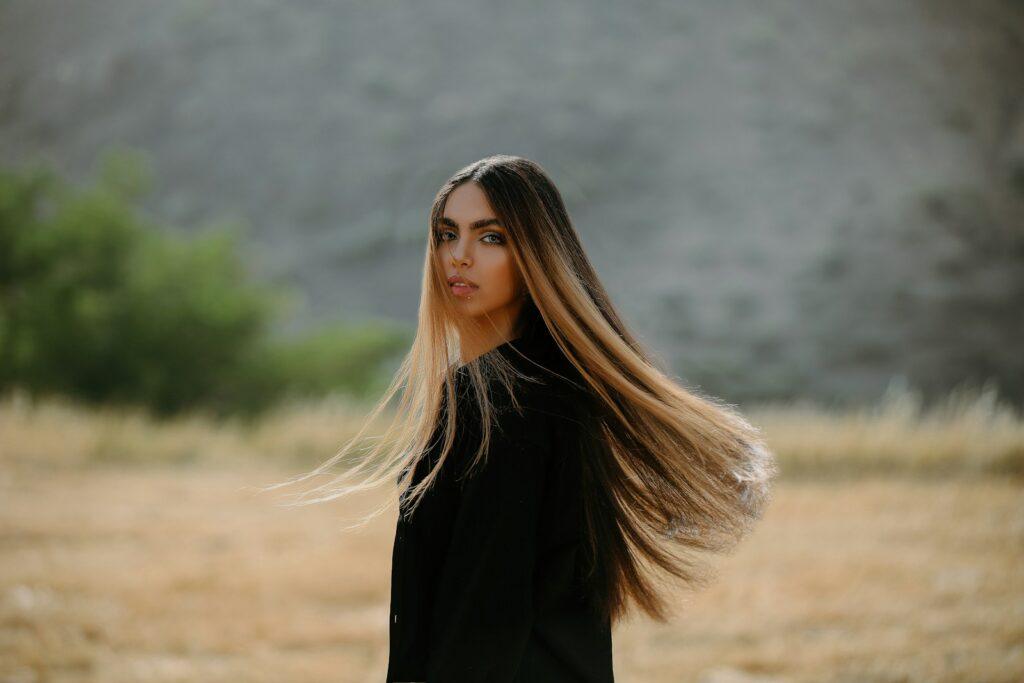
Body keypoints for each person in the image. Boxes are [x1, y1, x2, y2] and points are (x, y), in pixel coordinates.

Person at [263, 155, 778, 682]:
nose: (459, 256)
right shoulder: (547, 384)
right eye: (447, 234)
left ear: (535, 255)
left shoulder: (508, 401)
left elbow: (486, 607)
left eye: (491, 238)